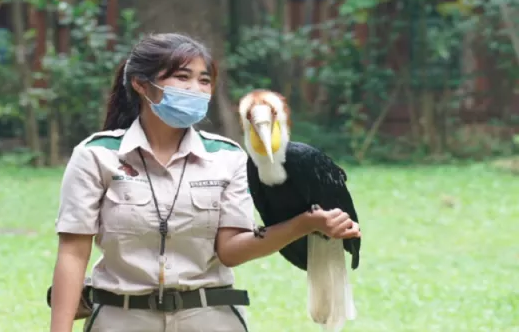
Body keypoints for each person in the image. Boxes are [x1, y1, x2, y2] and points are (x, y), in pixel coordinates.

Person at [49, 32, 361, 332]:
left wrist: (306, 223)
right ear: (142, 84)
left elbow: (231, 251)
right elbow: (73, 254)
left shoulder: (228, 157)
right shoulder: (97, 155)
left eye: (204, 80)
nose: (196, 89)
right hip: (120, 320)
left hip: (210, 318)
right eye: (183, 77)